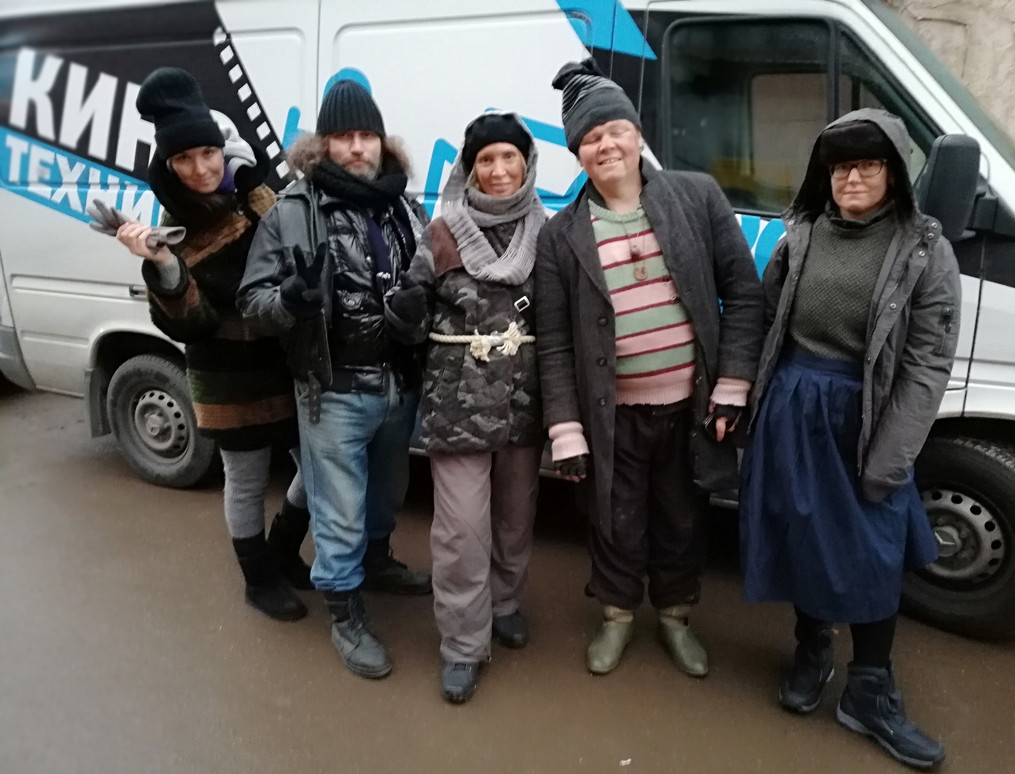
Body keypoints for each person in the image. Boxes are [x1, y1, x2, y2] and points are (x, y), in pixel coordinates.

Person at [739, 109, 960, 769]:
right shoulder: (801, 236)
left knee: (871, 549)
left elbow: (926, 363)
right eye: (840, 166)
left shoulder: (923, 249)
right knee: (803, 536)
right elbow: (767, 321)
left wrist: (892, 453)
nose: (852, 177)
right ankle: (811, 650)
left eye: (867, 164)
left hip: (865, 417)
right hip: (792, 406)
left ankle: (868, 688)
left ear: (893, 173)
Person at [536, 60, 764, 678]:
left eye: (616, 129)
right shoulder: (561, 236)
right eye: (590, 138)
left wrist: (732, 387)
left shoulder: (697, 197)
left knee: (682, 518)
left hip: (692, 408)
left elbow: (744, 295)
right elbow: (553, 342)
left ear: (637, 135)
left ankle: (675, 618)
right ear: (578, 154)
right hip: (612, 415)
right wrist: (566, 428)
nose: (606, 144)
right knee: (615, 520)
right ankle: (616, 616)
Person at [238, 79, 432, 680]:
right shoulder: (293, 211)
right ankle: (345, 615)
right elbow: (251, 302)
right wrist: (289, 302)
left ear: (382, 141)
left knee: (386, 495)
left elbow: (429, 283)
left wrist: (419, 312)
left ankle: (376, 563)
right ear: (324, 145)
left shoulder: (405, 206)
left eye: (366, 135)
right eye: (344, 136)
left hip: (399, 385)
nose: (356, 147)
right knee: (339, 512)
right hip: (334, 391)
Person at [110, 67, 311, 622]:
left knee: (316, 471)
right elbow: (190, 324)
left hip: (286, 363)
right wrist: (163, 265)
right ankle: (258, 580)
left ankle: (282, 551)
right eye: (184, 159)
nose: (200, 169)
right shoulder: (173, 228)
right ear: (168, 165)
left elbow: (296, 243)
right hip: (227, 375)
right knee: (245, 480)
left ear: (225, 149)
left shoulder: (258, 194)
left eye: (208, 153)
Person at [405, 111, 547, 703]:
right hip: (457, 402)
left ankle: (505, 602)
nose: (498, 169)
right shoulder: (441, 233)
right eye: (485, 159)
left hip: (523, 402)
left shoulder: (549, 234)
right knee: (462, 529)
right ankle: (462, 644)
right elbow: (412, 309)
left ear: (526, 163)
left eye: (508, 156)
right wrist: (404, 313)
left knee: (515, 518)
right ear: (469, 167)